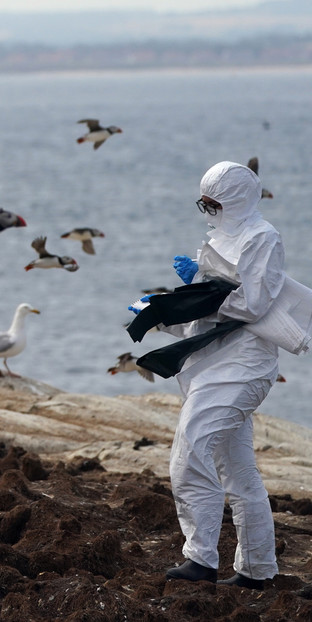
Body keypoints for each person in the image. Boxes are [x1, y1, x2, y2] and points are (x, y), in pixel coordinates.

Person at [160, 161, 281, 590]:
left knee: (189, 452)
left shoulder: (263, 238)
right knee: (238, 472)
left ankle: (200, 559)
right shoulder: (220, 238)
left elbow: (252, 305)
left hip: (244, 368)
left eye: (214, 203)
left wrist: (205, 287)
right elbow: (211, 310)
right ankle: (257, 570)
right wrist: (167, 311)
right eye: (204, 203)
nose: (208, 211)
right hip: (216, 364)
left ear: (237, 200)